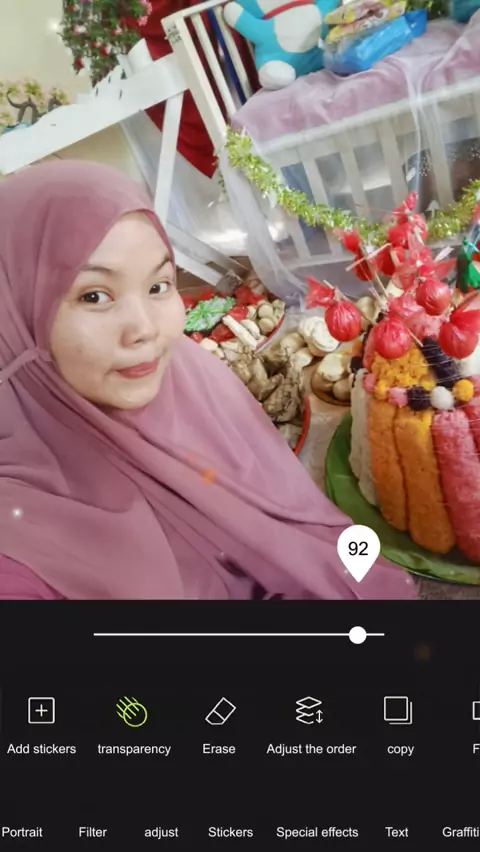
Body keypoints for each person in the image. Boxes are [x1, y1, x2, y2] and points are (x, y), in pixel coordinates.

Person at [0, 160, 417, 601]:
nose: (145, 329)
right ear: (14, 315)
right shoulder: (22, 533)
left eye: (158, 286)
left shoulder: (192, 380)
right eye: (95, 296)